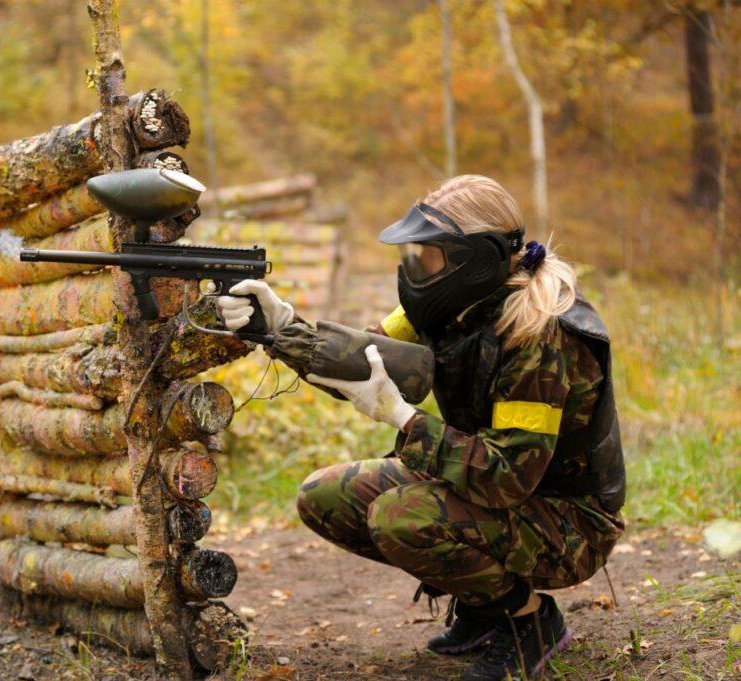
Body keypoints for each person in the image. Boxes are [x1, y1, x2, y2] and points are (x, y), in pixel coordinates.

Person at [216, 175, 625, 681]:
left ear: (471, 259)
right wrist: (278, 329)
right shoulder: (449, 303)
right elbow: (364, 360)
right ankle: (483, 607)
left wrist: (404, 419)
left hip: (569, 520)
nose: (415, 268)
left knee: (400, 517)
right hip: (498, 494)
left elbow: (507, 476)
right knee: (325, 497)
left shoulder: (537, 334)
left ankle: (527, 620)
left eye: (427, 255)